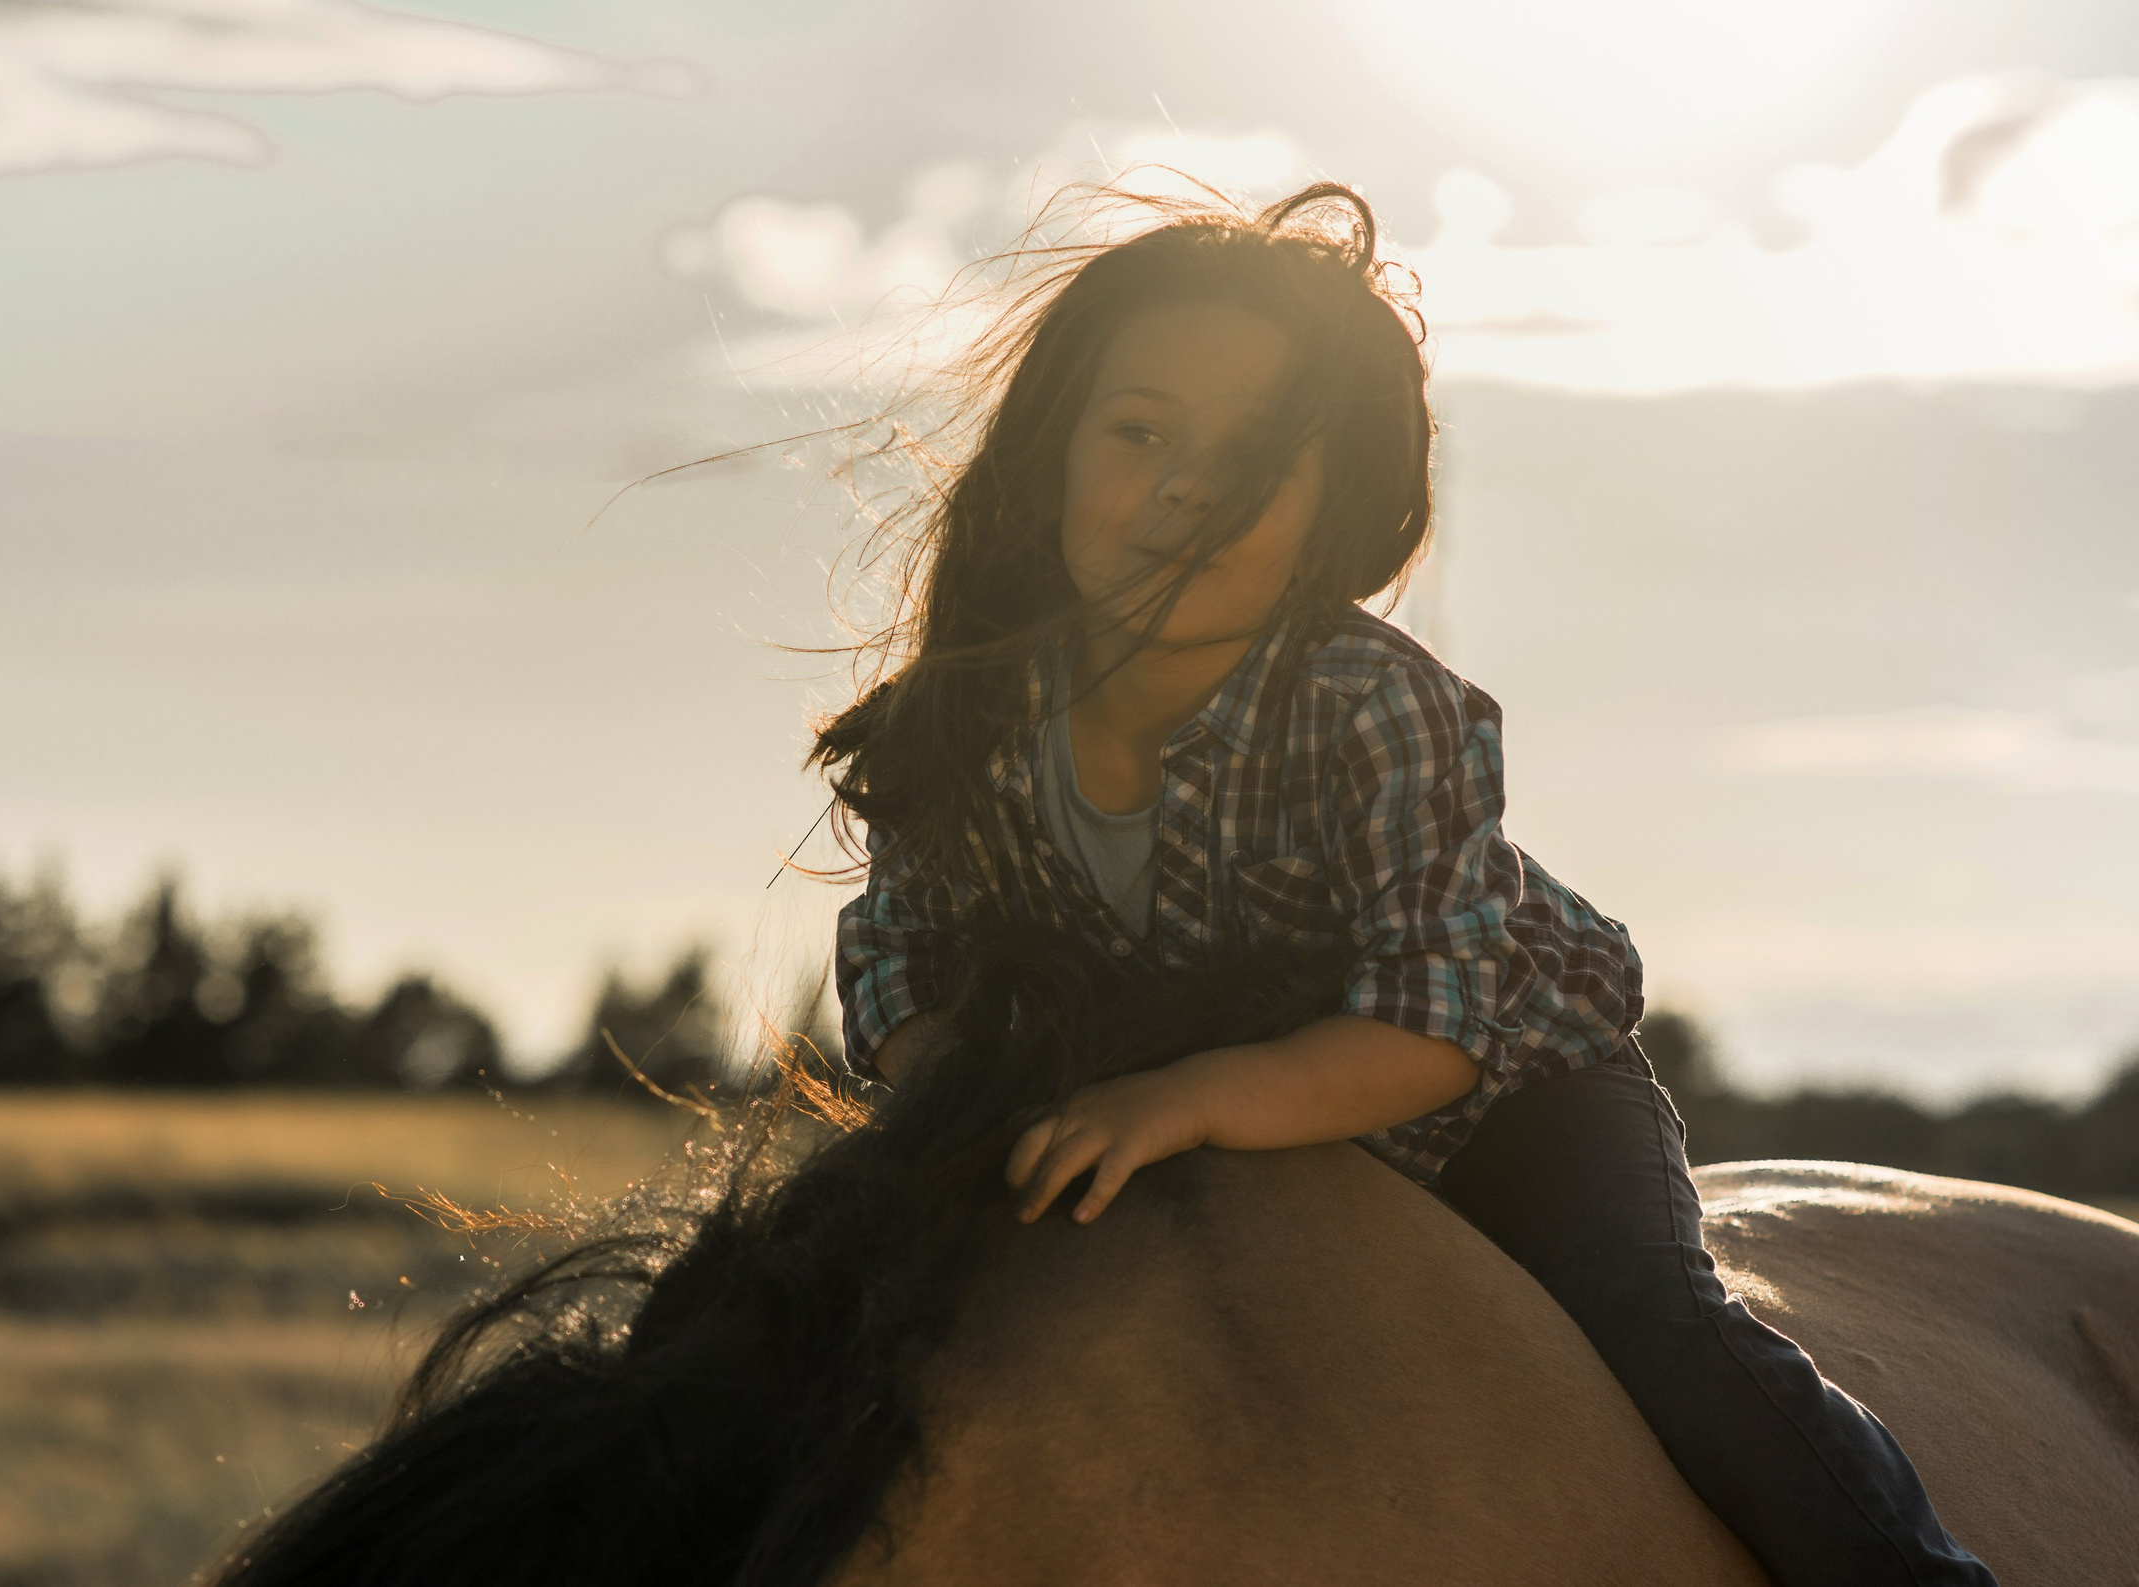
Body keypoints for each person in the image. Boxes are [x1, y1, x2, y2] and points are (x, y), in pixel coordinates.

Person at [813, 181, 1995, 1587]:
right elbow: (897, 956)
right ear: (1049, 462)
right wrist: (972, 1100)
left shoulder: (1379, 705)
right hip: (1165, 1109)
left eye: (1259, 455)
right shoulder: (964, 715)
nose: (1190, 486)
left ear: (1337, 507)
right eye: (1140, 433)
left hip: (1503, 1095)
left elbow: (1430, 1026)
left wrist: (1180, 1100)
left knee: (1657, 1326)